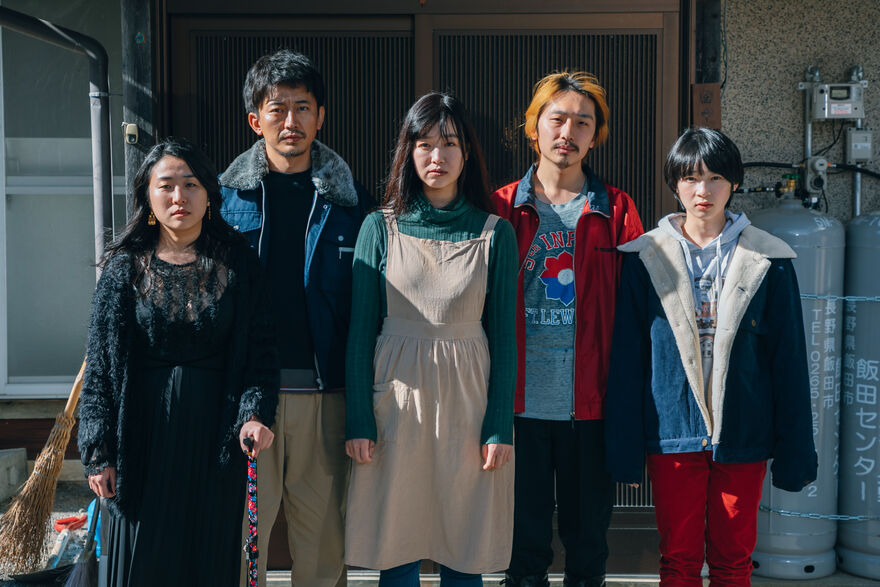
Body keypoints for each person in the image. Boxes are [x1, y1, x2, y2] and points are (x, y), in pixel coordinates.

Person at [606, 127, 818, 586]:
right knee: (677, 558)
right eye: (690, 178)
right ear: (675, 183)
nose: (703, 191)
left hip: (743, 430)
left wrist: (795, 448)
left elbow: (789, 361)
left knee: (733, 559)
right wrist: (623, 445)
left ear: (735, 183)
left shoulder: (769, 258)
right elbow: (628, 359)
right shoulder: (645, 256)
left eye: (716, 177)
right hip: (673, 430)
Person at [78, 138, 278, 587]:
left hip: (215, 440)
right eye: (166, 185)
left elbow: (261, 355)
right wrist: (98, 453)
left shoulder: (240, 264)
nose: (178, 197)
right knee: (141, 563)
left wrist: (255, 414)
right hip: (140, 440)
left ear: (210, 194)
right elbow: (100, 374)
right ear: (147, 196)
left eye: (191, 185)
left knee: (206, 560)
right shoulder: (123, 269)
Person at [345, 92, 518, 586]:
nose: (436, 157)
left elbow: (504, 338)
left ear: (467, 154)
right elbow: (360, 335)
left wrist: (498, 424)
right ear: (408, 151)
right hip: (396, 400)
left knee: (463, 542)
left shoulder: (494, 233)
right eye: (423, 144)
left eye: (449, 144)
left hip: (469, 402)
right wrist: (359, 416)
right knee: (396, 542)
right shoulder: (380, 227)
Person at [219, 49, 372, 587]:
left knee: (323, 551)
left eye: (302, 108)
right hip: (243, 402)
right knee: (239, 546)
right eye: (277, 108)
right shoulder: (221, 203)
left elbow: (367, 311)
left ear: (321, 116)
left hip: (324, 401)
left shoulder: (353, 205)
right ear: (254, 120)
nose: (291, 121)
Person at [492, 71, 644, 587]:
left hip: (590, 407)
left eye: (583, 122)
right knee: (523, 549)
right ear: (532, 128)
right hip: (518, 408)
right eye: (556, 119)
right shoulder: (499, 208)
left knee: (588, 550)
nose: (568, 132)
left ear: (595, 135)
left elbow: (635, 313)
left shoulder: (618, 211)